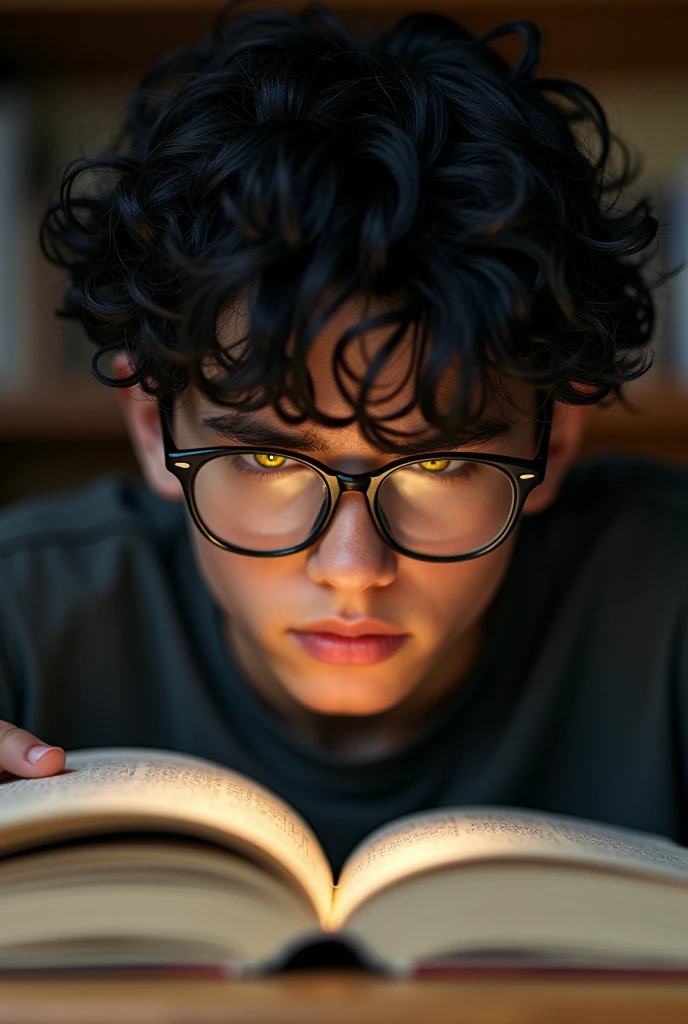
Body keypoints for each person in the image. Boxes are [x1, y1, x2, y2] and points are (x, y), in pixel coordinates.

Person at [0, 1, 685, 874]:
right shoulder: (20, 621)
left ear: (551, 446)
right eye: (270, 458)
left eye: (437, 460)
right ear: (151, 428)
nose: (353, 568)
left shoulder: (668, 605)